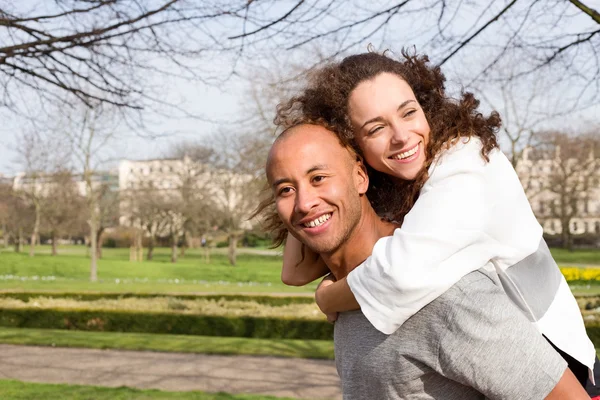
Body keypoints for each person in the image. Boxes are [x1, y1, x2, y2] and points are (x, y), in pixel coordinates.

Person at [275, 50, 595, 387]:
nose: (401, 136)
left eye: (409, 112)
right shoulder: (393, 180)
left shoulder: (467, 163)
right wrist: (313, 167)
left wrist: (326, 297)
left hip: (554, 361)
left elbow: (400, 274)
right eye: (376, 128)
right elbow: (295, 271)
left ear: (425, 108)